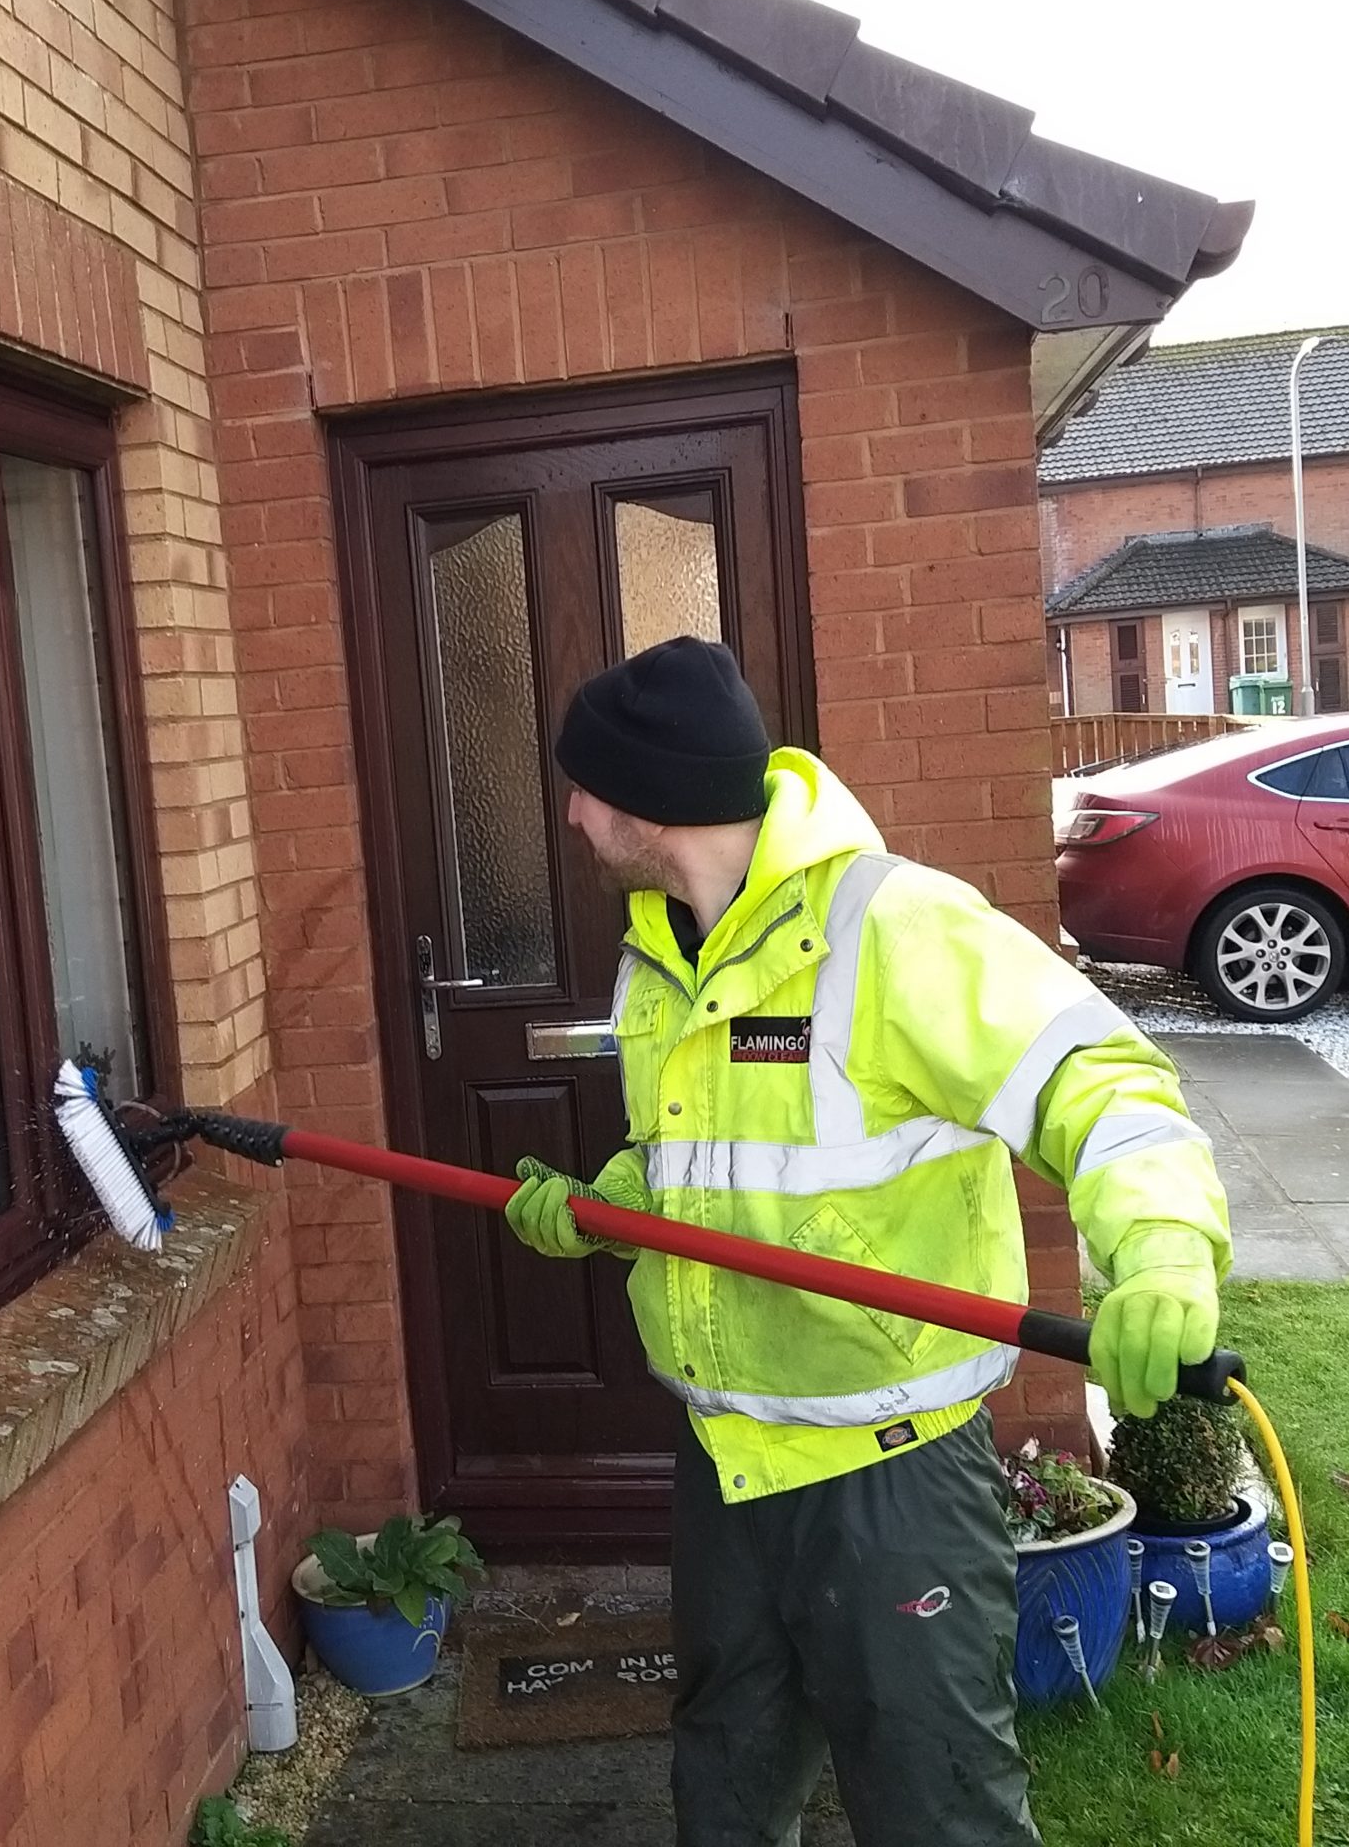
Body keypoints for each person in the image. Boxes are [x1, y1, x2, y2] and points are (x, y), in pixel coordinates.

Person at [505, 636, 1230, 1847]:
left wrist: (1159, 1246)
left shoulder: (894, 929)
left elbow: (1099, 1082)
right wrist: (606, 1205)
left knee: (935, 1805)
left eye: (585, 788)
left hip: (883, 1474)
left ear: (654, 797)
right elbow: (714, 1153)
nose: (572, 815)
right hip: (726, 1457)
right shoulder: (658, 948)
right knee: (726, 1786)